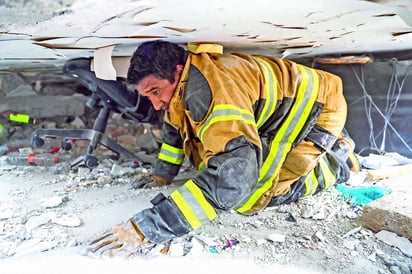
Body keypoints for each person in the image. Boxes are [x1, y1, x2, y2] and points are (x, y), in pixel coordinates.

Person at [86, 40, 356, 257]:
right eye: (148, 97)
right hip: (280, 108)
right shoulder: (183, 84)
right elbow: (174, 128)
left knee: (251, 196)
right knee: (214, 164)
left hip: (315, 108)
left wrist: (150, 227)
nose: (155, 104)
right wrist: (162, 174)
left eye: (156, 92)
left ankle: (338, 161)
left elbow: (233, 179)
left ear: (178, 72)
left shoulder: (207, 92)